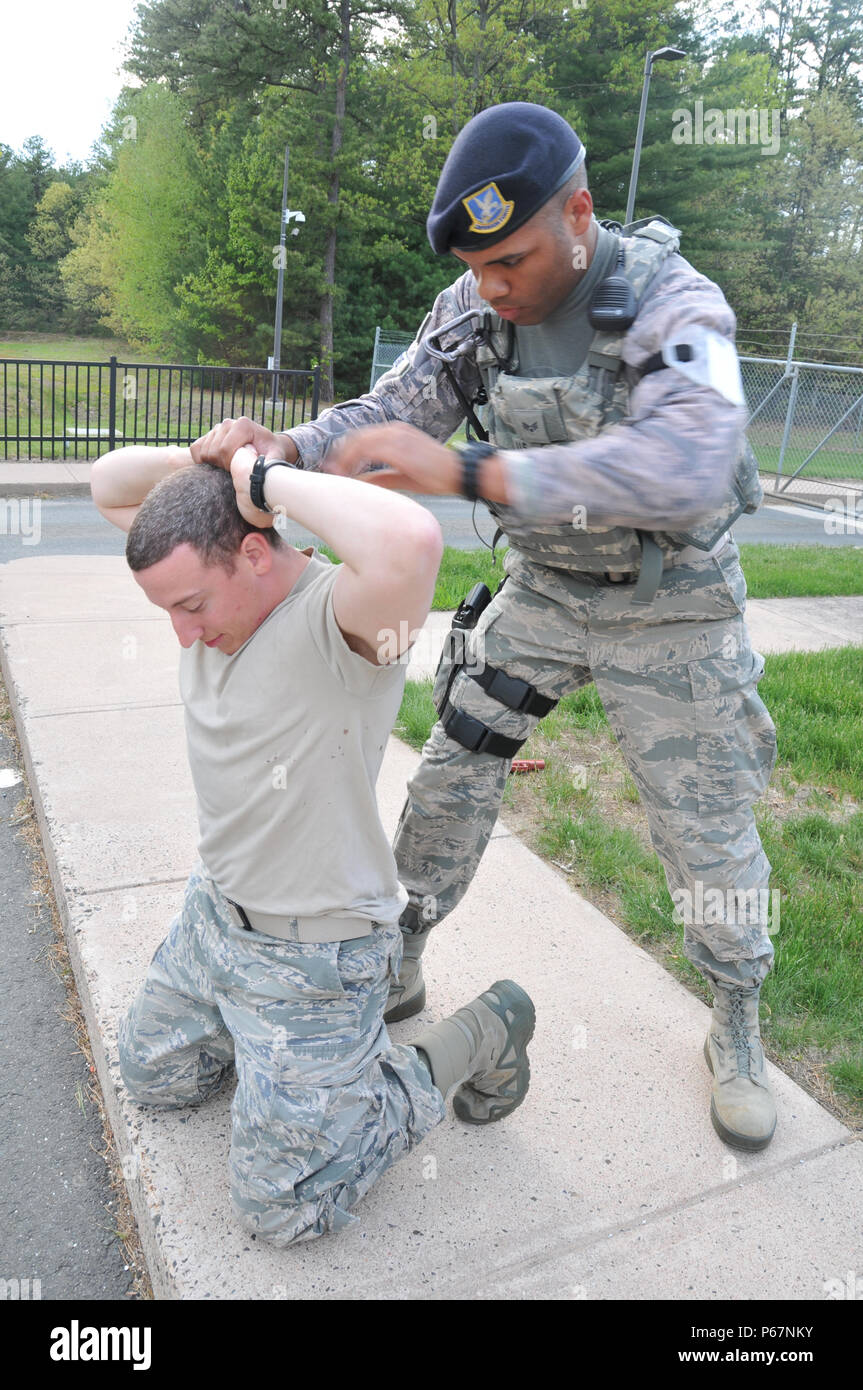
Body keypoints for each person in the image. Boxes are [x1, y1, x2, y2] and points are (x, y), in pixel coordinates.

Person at [191, 102, 779, 1153]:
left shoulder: (676, 305)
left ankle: (734, 1017)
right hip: (546, 590)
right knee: (450, 775)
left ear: (579, 215)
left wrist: (472, 471)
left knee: (708, 833)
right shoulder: (475, 309)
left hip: (672, 602)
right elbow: (390, 414)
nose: (493, 285)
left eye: (510, 259)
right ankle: (403, 950)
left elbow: (688, 461)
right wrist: (284, 444)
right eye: (480, 266)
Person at [88, 442, 535, 1246]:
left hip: (314, 962)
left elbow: (411, 540)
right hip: (213, 921)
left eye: (189, 605)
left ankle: (482, 1032)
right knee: (154, 1079)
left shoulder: (350, 621)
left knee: (285, 1207)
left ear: (254, 553)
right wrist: (210, 462)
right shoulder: (209, 577)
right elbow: (105, 483)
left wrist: (266, 478)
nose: (182, 634)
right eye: (168, 613)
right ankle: (275, 1063)